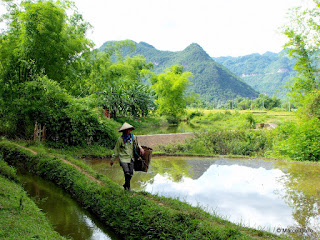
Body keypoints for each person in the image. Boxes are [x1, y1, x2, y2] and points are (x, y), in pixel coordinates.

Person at [110, 122, 144, 191]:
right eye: (127, 130)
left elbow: (137, 144)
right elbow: (116, 149)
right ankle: (128, 188)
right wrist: (112, 159)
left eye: (129, 129)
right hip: (123, 158)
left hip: (131, 158)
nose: (128, 131)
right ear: (124, 131)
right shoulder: (120, 139)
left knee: (131, 173)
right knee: (127, 172)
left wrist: (140, 148)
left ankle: (125, 185)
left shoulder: (133, 137)